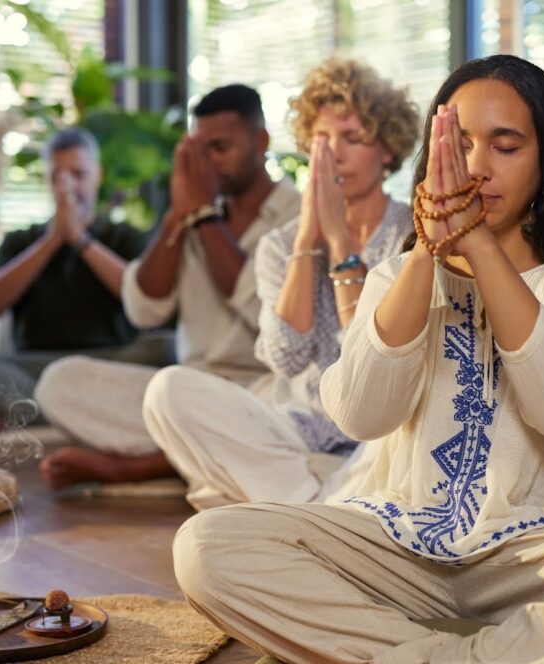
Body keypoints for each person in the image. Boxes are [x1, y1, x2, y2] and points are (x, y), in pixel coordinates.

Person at [170, 55, 544, 664]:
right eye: (459, 145)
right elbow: (359, 415)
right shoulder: (397, 275)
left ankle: (409, 651)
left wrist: (479, 246)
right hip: (402, 544)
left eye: (505, 146)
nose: (477, 167)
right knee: (207, 545)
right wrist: (424, 256)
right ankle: (484, 652)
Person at [141, 58, 420, 509]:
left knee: (413, 429)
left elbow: (374, 370)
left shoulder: (413, 235)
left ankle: (285, 506)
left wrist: (340, 242)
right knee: (167, 391)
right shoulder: (280, 244)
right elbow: (286, 357)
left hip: (374, 439)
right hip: (297, 431)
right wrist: (308, 239)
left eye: (353, 138)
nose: (334, 155)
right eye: (322, 139)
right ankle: (317, 507)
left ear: (387, 150)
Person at [34, 84, 301, 491]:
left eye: (220, 148)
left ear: (260, 142)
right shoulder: (193, 209)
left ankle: (135, 468)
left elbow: (264, 309)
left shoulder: (299, 215)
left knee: (296, 412)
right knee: (60, 383)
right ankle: (197, 459)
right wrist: (179, 214)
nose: (208, 163)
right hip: (184, 394)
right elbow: (145, 309)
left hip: (261, 393)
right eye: (199, 150)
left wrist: (205, 216)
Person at [0, 127, 155, 424]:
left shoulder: (124, 236)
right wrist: (52, 240)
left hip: (108, 364)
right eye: (57, 176)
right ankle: (66, 414)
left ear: (98, 175)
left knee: (167, 348)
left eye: (78, 174)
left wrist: (80, 240)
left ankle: (45, 414)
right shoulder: (21, 240)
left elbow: (145, 301)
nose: (68, 186)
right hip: (37, 368)